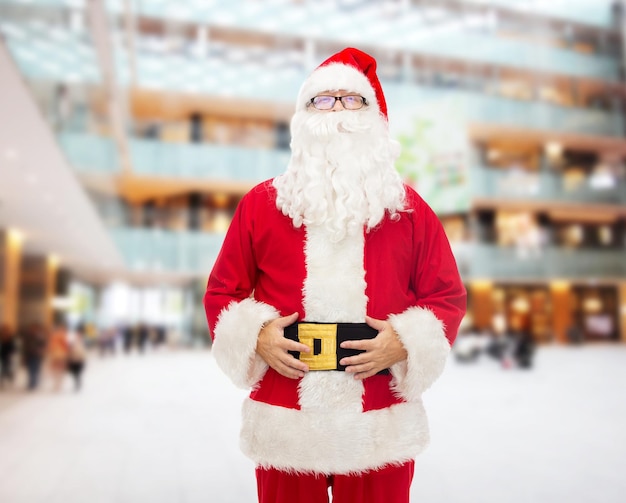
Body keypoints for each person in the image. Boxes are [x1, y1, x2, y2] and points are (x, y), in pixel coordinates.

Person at [203, 47, 466, 503]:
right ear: (302, 118)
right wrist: (256, 335)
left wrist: (405, 342)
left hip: (379, 418)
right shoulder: (261, 206)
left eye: (352, 100)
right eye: (323, 101)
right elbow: (222, 291)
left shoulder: (409, 211)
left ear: (375, 116)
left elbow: (445, 295)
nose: (338, 111)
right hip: (287, 416)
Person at [0, 323, 17, 388]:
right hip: (2, 355)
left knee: (8, 368)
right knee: (2, 369)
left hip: (8, 356)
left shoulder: (11, 338)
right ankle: (2, 381)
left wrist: (11, 353)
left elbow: (13, 347)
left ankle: (9, 379)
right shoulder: (1, 338)